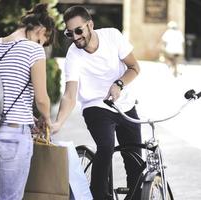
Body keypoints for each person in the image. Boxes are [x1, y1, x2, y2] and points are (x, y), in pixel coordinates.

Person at [52, 5, 142, 200]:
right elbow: (70, 94)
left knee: (135, 159)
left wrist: (119, 84)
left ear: (90, 25)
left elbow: (134, 67)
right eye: (69, 33)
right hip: (96, 106)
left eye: (79, 30)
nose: (75, 37)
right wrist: (59, 122)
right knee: (106, 146)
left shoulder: (112, 36)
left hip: (125, 104)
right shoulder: (73, 55)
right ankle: (99, 196)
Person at [0, 4, 55, 200]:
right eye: (43, 41)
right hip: (13, 135)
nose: (42, 46)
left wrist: (30, 118)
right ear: (42, 30)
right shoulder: (34, 50)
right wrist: (46, 119)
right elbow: (41, 99)